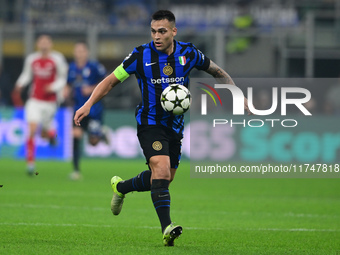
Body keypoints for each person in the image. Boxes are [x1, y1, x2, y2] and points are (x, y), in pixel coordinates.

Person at [74, 10, 250, 246]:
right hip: (150, 123)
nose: (156, 36)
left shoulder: (188, 53)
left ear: (173, 32)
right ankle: (167, 228)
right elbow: (110, 81)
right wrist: (88, 104)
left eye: (162, 31)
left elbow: (217, 72)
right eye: (153, 31)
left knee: (164, 178)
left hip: (175, 126)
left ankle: (121, 186)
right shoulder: (140, 55)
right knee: (161, 169)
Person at [13, 34, 68, 175]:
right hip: (34, 100)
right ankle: (30, 163)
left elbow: (63, 78)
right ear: (38, 44)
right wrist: (19, 84)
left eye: (46, 42)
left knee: (44, 133)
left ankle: (52, 136)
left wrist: (54, 87)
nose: (44, 44)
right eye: (41, 42)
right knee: (32, 128)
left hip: (50, 102)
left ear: (51, 44)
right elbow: (27, 75)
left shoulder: (58, 59)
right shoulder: (32, 59)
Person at [65, 41, 107, 180]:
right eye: (77, 51)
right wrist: (65, 92)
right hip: (78, 109)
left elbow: (107, 80)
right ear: (74, 53)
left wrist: (91, 89)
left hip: (94, 109)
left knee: (93, 143)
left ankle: (100, 134)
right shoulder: (71, 68)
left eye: (82, 50)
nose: (80, 53)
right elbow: (68, 84)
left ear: (87, 52)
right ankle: (76, 170)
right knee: (76, 136)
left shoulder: (94, 67)